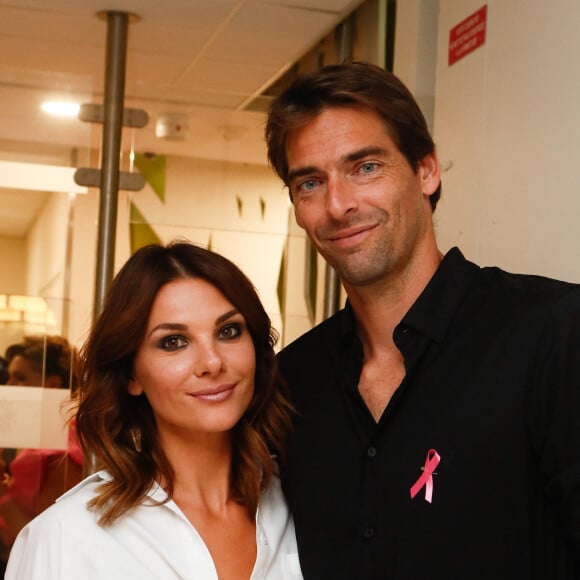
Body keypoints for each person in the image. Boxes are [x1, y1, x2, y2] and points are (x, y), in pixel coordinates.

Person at [265, 61, 580, 579]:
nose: (338, 205)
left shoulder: (550, 336)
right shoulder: (291, 383)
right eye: (309, 183)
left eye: (365, 167)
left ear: (426, 171)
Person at [6, 242, 302, 580]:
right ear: (131, 375)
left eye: (228, 331)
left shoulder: (305, 506)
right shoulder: (65, 537)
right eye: (173, 342)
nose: (212, 362)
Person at [0, 335, 83, 571]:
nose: (10, 387)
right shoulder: (41, 438)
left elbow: (37, 537)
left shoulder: (62, 450)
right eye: (10, 378)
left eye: (20, 378)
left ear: (52, 384)